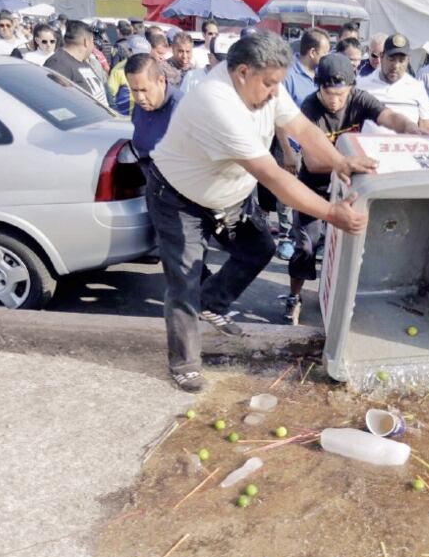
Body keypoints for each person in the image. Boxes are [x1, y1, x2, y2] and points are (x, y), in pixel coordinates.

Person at [148, 31, 377, 392]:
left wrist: (340, 162)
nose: (275, 92)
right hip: (179, 197)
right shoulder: (217, 103)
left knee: (259, 249)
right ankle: (185, 363)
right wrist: (332, 214)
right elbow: (272, 177)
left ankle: (212, 302)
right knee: (184, 281)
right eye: (270, 84)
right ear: (241, 73)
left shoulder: (265, 80)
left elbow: (300, 126)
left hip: (229, 195)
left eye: (278, 84)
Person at [282, 53, 421, 324]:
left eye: (341, 94)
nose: (334, 100)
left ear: (351, 88)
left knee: (352, 246)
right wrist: (349, 163)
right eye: (328, 93)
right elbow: (312, 161)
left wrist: (409, 127)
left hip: (348, 187)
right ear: (318, 87)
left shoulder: (359, 98)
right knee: (306, 247)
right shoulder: (310, 108)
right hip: (314, 187)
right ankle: (294, 297)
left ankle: (343, 297)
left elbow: (388, 116)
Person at [274, 27, 331, 261]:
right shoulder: (287, 77)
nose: (327, 57)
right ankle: (285, 237)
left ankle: (307, 239)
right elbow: (278, 118)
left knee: (307, 195)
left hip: (312, 150)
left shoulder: (321, 76)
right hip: (290, 147)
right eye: (325, 52)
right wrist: (287, 151)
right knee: (286, 195)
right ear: (313, 52)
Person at [357, 33, 429, 135]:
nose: (396, 65)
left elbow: (427, 127)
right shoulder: (362, 85)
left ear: (408, 60)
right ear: (382, 56)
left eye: (401, 60)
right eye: (391, 59)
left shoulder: (417, 89)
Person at [126, 54, 184, 167]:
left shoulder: (182, 110)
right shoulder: (141, 105)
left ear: (161, 81)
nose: (140, 97)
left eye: (144, 90)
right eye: (134, 90)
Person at [44, 20, 108, 106]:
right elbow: (56, 103)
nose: (93, 46)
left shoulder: (83, 61)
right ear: (86, 42)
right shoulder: (58, 64)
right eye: (92, 41)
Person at [108, 35, 152, 116]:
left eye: (144, 54)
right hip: (125, 120)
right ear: (129, 51)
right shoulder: (118, 70)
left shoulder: (153, 68)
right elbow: (110, 96)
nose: (140, 57)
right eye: (137, 53)